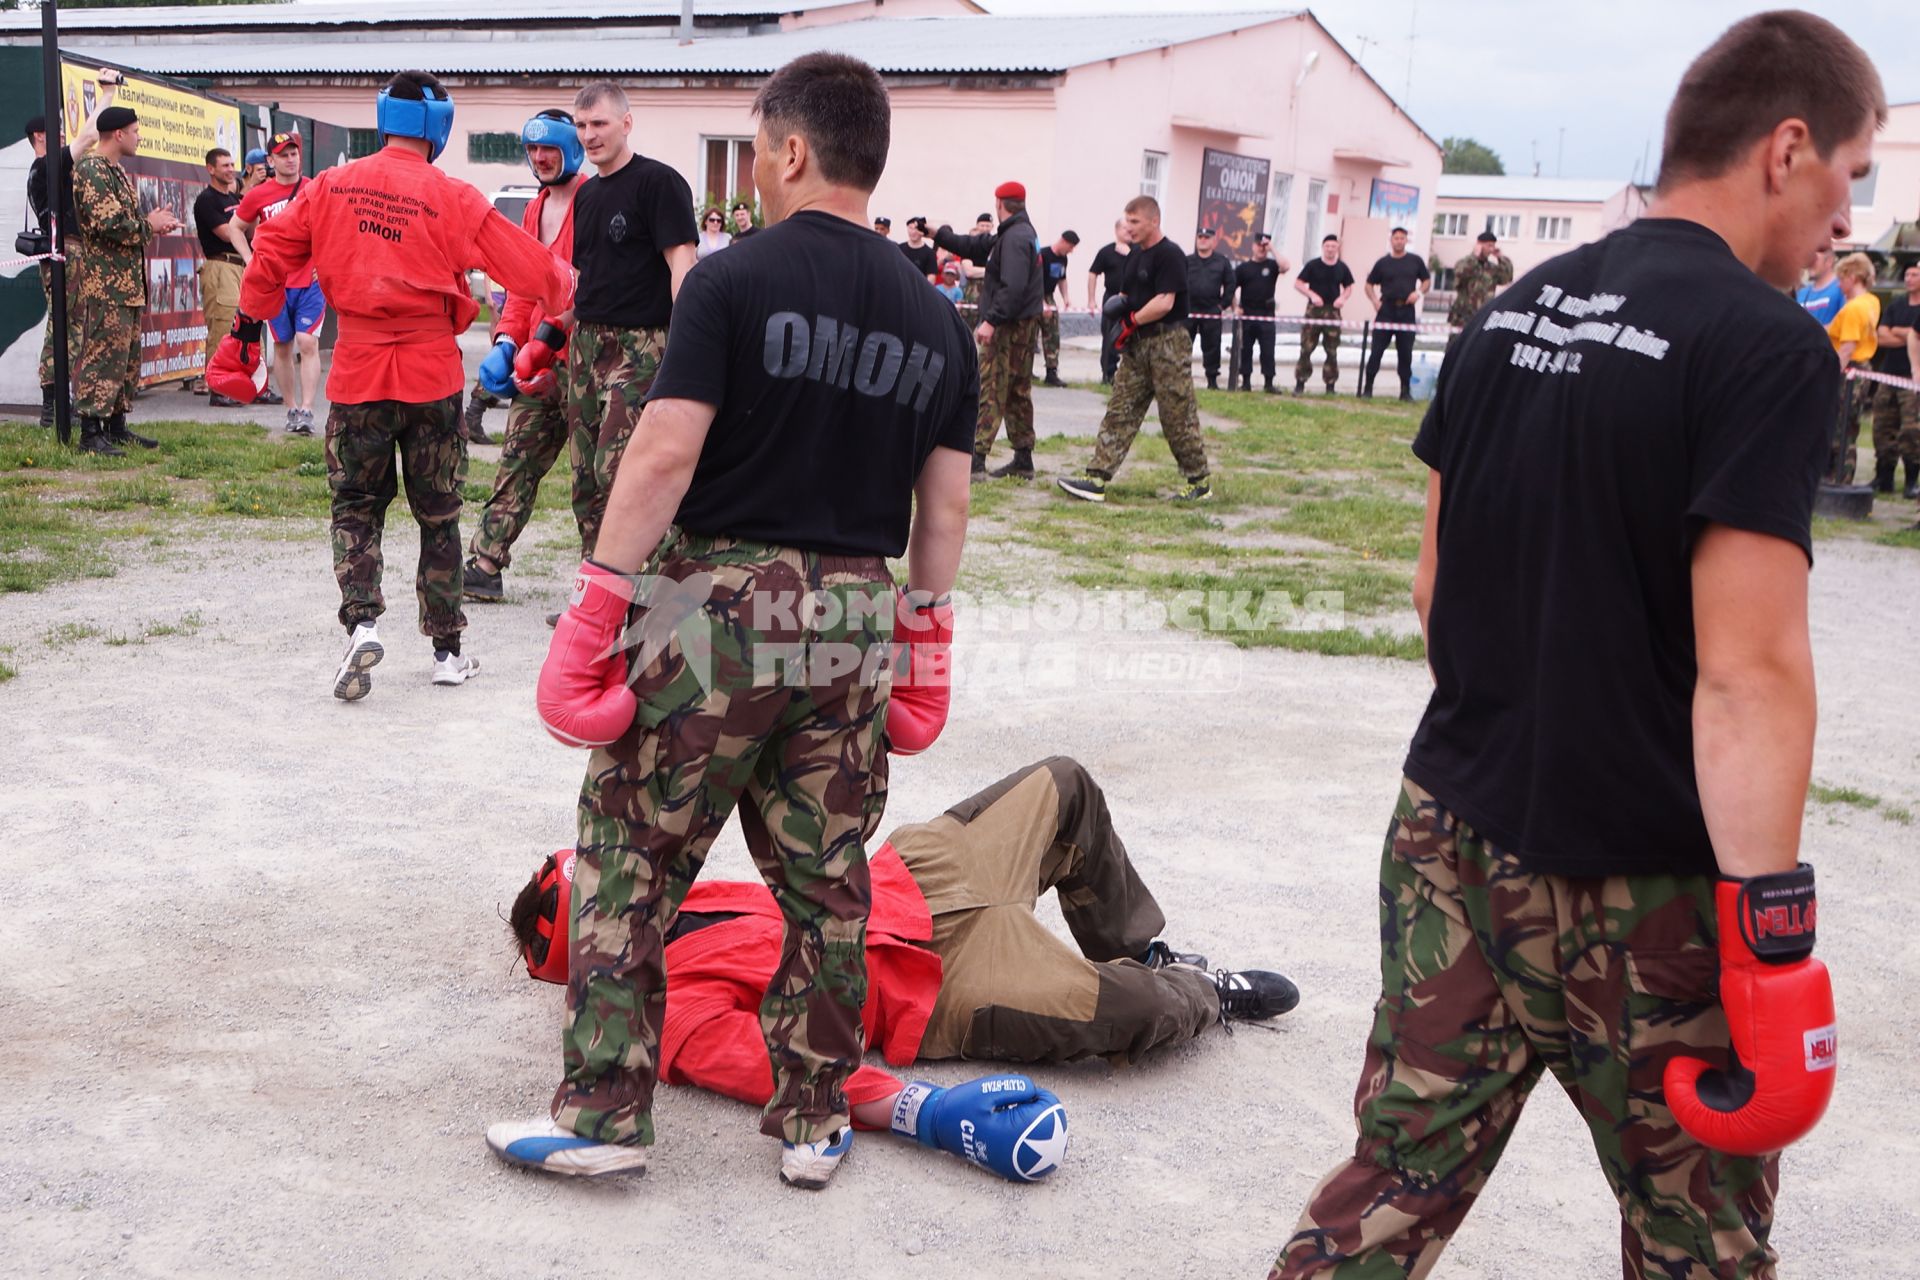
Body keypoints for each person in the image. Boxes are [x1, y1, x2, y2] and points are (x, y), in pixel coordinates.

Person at [1271, 12, 1870, 1276]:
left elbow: (1438, 582)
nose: (1843, 222)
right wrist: (1768, 931)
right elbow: (1748, 672)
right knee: (1695, 1239)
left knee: (1392, 1186)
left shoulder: (1515, 312)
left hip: (1452, 836)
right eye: (1848, 179)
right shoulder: (1766, 349)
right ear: (1788, 147)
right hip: (1645, 887)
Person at [484, 50, 975, 1191]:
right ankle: (813, 1120)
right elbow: (942, 505)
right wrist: (927, 630)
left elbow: (662, 449)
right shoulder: (936, 317)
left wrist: (600, 598)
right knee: (828, 876)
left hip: (713, 594)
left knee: (630, 853)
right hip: (857, 606)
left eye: (758, 150)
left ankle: (606, 1113)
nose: (754, 172)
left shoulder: (732, 278)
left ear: (793, 150)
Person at [504, 757, 1296, 1165]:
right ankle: (1200, 990)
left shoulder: (684, 889)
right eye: (608, 897)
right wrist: (921, 1111)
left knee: (1064, 785)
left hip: (915, 877)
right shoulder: (671, 1011)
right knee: (1139, 1013)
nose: (631, 883)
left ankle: (1141, 944)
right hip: (938, 989)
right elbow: (779, 1069)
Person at [209, 71, 575, 700]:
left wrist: (244, 330)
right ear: (440, 125)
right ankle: (447, 652)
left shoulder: (328, 185)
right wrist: (562, 301)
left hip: (356, 374)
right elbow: (534, 270)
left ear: (384, 118)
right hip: (431, 376)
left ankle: (361, 627)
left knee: (355, 507)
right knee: (439, 513)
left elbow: (268, 251)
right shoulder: (455, 195)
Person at [560, 80, 699, 560]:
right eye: (581, 125)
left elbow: (683, 263)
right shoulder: (586, 195)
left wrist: (686, 340)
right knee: (583, 477)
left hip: (642, 344)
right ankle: (597, 596)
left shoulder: (658, 183)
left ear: (625, 123)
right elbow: (584, 275)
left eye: (598, 123)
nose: (589, 135)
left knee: (618, 468)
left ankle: (648, 588)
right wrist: (548, 331)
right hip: (587, 343)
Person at [462, 110, 590, 605]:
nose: (540, 158)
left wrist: (551, 335)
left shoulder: (592, 202)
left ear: (570, 150)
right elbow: (521, 284)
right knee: (518, 457)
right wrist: (504, 343)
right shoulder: (535, 208)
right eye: (533, 150)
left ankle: (597, 588)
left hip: (583, 358)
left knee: (593, 474)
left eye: (549, 150)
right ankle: (485, 564)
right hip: (536, 362)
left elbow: (594, 284)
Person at [1057, 196, 1208, 504]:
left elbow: (1165, 301)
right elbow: (1125, 295)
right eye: (1127, 222)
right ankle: (1096, 478)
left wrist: (1132, 321)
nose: (1129, 228)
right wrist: (1119, 319)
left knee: (1176, 413)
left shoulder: (1170, 255)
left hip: (1168, 342)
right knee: (1120, 409)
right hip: (1138, 344)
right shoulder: (1134, 256)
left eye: (1135, 222)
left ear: (1154, 221)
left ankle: (1199, 480)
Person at [70, 105, 182, 457]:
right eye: (135, 130)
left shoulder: (115, 171)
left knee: (126, 359)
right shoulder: (91, 170)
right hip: (106, 286)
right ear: (118, 134)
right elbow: (109, 224)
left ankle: (116, 427)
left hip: (127, 285)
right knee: (103, 356)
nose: (139, 136)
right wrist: (151, 224)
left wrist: (153, 222)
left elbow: (128, 223)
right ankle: (90, 431)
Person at [933, 182, 1042, 480]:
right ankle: (1023, 459)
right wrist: (938, 234)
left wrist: (991, 320)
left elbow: (1014, 285)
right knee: (1018, 390)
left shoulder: (1016, 238)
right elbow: (976, 246)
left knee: (991, 387)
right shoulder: (1017, 233)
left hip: (1008, 325)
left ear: (999, 203)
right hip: (1020, 323)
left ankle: (976, 460)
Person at [233, 132, 325, 435]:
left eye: (294, 153)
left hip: (310, 280)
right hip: (277, 283)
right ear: (270, 161)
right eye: (283, 155)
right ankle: (291, 408)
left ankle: (309, 408)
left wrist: (323, 263)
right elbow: (236, 227)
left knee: (308, 341)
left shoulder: (314, 189)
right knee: (283, 345)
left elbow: (332, 229)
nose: (291, 159)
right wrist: (250, 261)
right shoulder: (259, 194)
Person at [25, 98, 105, 431]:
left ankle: (60, 400)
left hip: (73, 253)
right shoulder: (44, 167)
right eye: (56, 132)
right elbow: (88, 138)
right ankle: (51, 403)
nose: (62, 137)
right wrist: (107, 95)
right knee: (62, 327)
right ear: (40, 136)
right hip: (64, 254)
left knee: (73, 328)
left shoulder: (54, 167)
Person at [193, 147, 247, 406]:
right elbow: (228, 234)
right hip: (221, 267)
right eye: (224, 165)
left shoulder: (234, 199)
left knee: (243, 330)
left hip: (240, 268)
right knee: (223, 329)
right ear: (210, 169)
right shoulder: (207, 200)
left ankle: (239, 385)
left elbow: (252, 231)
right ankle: (217, 389)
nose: (230, 169)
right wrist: (245, 221)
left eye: (232, 164)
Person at [1823, 251, 1880, 485]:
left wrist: (1831, 375)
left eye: (1842, 278)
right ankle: (1839, 477)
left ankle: (1839, 478)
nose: (1839, 284)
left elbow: (1847, 347)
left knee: (1840, 426)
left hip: (1849, 370)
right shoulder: (1871, 302)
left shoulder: (1854, 309)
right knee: (1848, 425)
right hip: (1862, 368)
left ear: (1854, 277)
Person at [1360, 226, 1430, 400]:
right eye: (1396, 238)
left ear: (1406, 240)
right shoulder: (1383, 263)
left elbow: (1426, 281)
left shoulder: (1415, 261)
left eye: (1402, 238)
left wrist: (1418, 293)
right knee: (1376, 351)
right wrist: (1375, 301)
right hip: (1386, 311)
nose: (1399, 241)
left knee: (1405, 353)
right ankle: (1368, 389)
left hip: (1406, 311)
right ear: (1391, 241)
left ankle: (1405, 392)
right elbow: (1368, 285)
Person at [1870, 263, 1920, 498]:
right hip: (1889, 374)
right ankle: (1884, 477)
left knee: (1911, 430)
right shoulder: (1898, 304)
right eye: (1907, 274)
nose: (1909, 278)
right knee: (1882, 426)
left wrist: (1899, 333)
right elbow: (1880, 336)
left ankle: (1911, 481)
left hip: (1912, 379)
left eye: (1915, 275)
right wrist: (1909, 334)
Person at [1293, 234, 1353, 394]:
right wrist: (1311, 295)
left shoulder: (1342, 267)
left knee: (1332, 350)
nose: (1330, 249)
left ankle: (1330, 385)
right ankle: (1300, 383)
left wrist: (1343, 298)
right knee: (1306, 348)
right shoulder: (1313, 265)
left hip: (1333, 312)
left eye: (1333, 246)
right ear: (1323, 247)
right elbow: (1298, 283)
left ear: (1337, 248)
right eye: (1327, 246)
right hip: (1314, 311)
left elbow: (1349, 287)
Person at [1232, 232, 1289, 394]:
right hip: (1248, 314)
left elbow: (1285, 266)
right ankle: (1246, 383)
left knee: (1268, 350)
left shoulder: (1272, 265)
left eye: (1264, 246)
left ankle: (1268, 383)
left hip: (1266, 314)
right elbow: (1231, 289)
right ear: (1253, 246)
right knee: (1246, 349)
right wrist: (1236, 307)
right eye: (1259, 245)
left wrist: (1273, 249)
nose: (1261, 249)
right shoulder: (1243, 268)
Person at [1184, 227, 1236, 390]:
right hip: (1189, 310)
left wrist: (1222, 305)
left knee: (1212, 346)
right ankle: (1182, 378)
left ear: (1213, 241)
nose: (1203, 240)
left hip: (1211, 310)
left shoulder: (1222, 262)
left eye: (1207, 237)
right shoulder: (1187, 261)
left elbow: (1230, 284)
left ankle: (1212, 380)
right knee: (1183, 344)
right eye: (1200, 237)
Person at [1445, 230, 1512, 349]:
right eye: (1488, 245)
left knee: (1477, 350)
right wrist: (1474, 256)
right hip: (1463, 317)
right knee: (1455, 349)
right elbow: (1461, 273)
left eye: (1493, 246)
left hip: (1483, 316)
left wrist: (1501, 257)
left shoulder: (1491, 268)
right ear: (1479, 244)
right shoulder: (1465, 262)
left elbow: (1507, 277)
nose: (1491, 249)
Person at [1087, 218, 1132, 385]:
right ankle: (1108, 374)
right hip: (1113, 299)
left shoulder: (1136, 252)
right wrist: (1091, 299)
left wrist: (1129, 255)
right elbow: (1093, 274)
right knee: (1109, 337)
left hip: (1132, 299)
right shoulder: (1106, 252)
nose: (1129, 232)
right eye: (1126, 229)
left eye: (1131, 229)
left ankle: (1128, 375)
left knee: (1132, 337)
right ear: (1117, 230)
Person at [1034, 229, 1078, 388]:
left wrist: (1066, 297)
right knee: (1029, 335)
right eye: (1071, 247)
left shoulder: (1063, 259)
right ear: (1064, 241)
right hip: (1034, 296)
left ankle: (1051, 372)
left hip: (1049, 297)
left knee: (1052, 334)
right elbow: (1034, 279)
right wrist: (1041, 302)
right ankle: (1025, 372)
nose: (1071, 251)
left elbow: (1062, 279)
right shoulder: (1042, 255)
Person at [1793, 242, 1842, 324]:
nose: (1810, 264)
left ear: (1829, 261)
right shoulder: (1801, 293)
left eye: (1814, 260)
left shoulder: (1841, 288)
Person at [898, 215, 936, 281]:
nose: (913, 232)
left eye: (916, 228)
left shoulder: (929, 253)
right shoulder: (899, 249)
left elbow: (931, 277)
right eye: (910, 228)